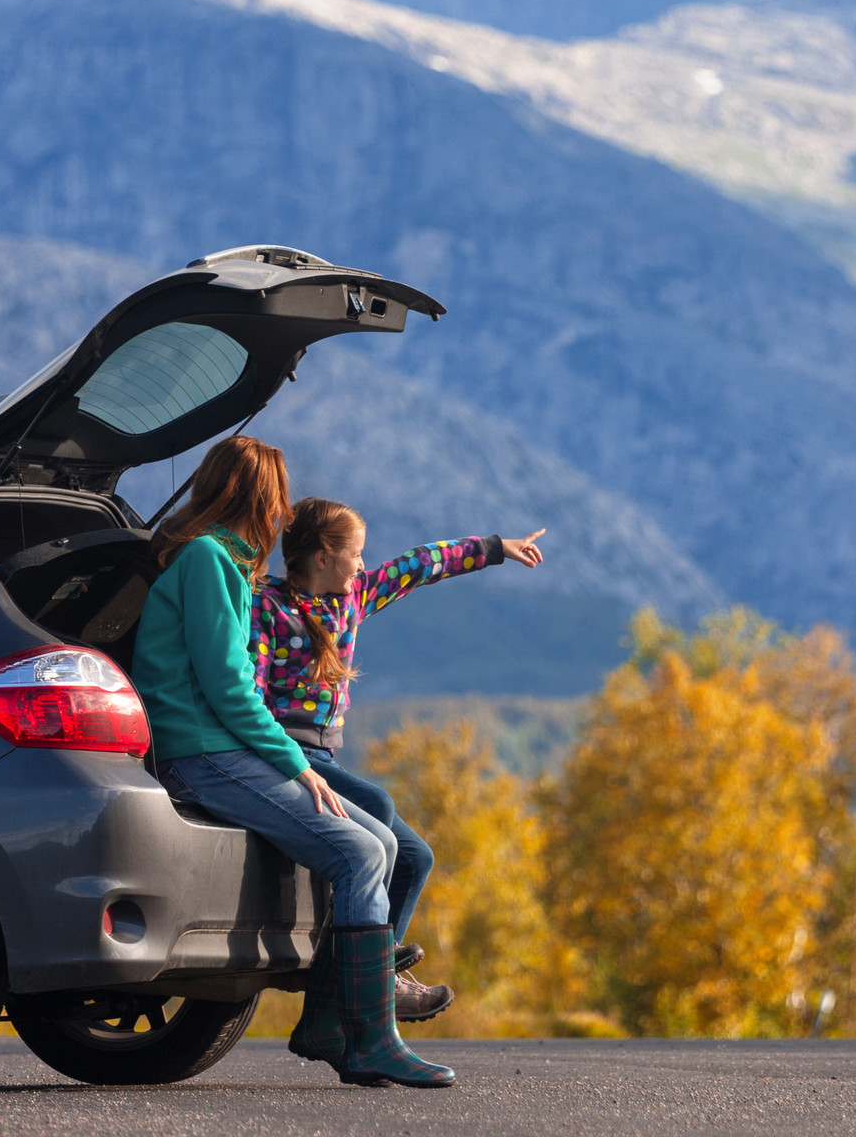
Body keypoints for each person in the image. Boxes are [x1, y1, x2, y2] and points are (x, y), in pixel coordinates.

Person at [128, 436, 454, 1089]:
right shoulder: (208, 562)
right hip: (204, 753)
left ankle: (336, 1024)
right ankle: (369, 1040)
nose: (283, 515)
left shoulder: (219, 563)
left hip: (221, 748)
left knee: (383, 845)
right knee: (362, 853)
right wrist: (298, 767)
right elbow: (227, 687)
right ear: (259, 497)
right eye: (277, 498)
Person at [255, 496, 545, 1033]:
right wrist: (284, 760)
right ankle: (371, 984)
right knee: (384, 810)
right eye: (356, 554)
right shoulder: (266, 608)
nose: (364, 565)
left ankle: (369, 972)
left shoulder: (354, 597)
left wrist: (496, 549)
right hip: (287, 755)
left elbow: (421, 564)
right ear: (323, 557)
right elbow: (248, 697)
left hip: (326, 752)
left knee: (415, 858)